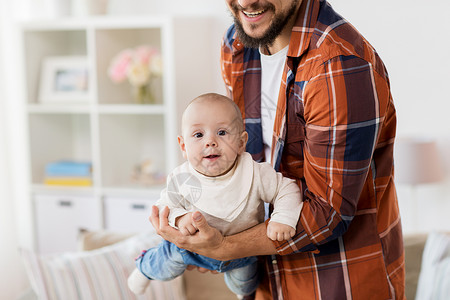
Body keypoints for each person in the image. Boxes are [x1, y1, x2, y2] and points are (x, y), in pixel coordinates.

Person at [151, 0, 405, 299]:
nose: (245, 2)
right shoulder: (238, 42)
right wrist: (207, 235)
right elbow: (242, 160)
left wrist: (222, 246)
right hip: (266, 278)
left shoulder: (337, 64)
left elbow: (327, 214)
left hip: (337, 281)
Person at [128, 93, 302, 297]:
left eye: (221, 132)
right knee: (165, 266)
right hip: (190, 247)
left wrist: (283, 218)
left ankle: (238, 287)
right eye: (198, 135)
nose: (210, 141)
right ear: (183, 146)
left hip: (241, 251)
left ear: (241, 142)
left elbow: (287, 188)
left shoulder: (254, 173)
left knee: (244, 286)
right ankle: (143, 269)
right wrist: (180, 217)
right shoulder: (182, 178)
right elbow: (165, 207)